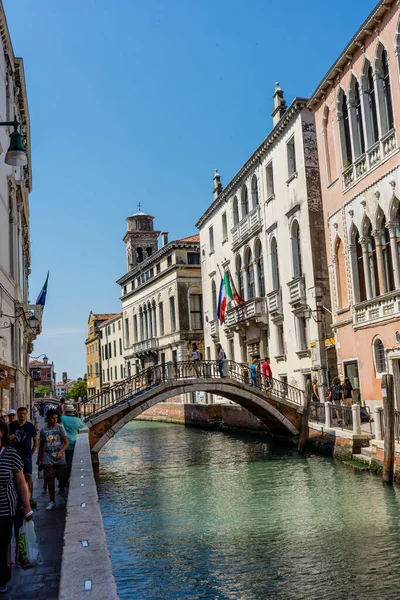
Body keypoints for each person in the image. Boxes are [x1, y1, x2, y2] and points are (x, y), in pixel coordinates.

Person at [0, 420, 32, 593]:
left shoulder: (11, 454)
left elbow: (21, 483)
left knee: (4, 542)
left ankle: (3, 577)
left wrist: (26, 506)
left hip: (7, 507)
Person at [38, 408, 69, 511]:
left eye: (56, 418)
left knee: (62, 478)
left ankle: (62, 490)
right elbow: (41, 445)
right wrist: (40, 460)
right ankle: (52, 501)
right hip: (48, 458)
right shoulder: (43, 431)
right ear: (48, 419)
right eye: (52, 418)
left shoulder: (60, 428)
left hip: (60, 458)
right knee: (50, 479)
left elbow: (66, 442)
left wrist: (61, 452)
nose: (55, 420)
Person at [9, 407, 38, 508]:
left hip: (26, 456)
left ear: (26, 414)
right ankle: (17, 497)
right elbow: (5, 440)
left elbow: (36, 441)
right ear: (17, 414)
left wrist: (31, 452)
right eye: (20, 413)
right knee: (14, 478)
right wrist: (10, 438)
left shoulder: (30, 426)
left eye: (24, 414)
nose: (22, 415)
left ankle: (30, 498)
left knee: (28, 476)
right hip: (14, 456)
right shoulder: (12, 426)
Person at [61, 405, 85, 483]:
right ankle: (67, 479)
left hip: (62, 443)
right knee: (69, 462)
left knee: (62, 463)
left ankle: (62, 480)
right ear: (74, 412)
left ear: (66, 412)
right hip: (73, 443)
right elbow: (82, 425)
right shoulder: (77, 420)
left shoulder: (62, 418)